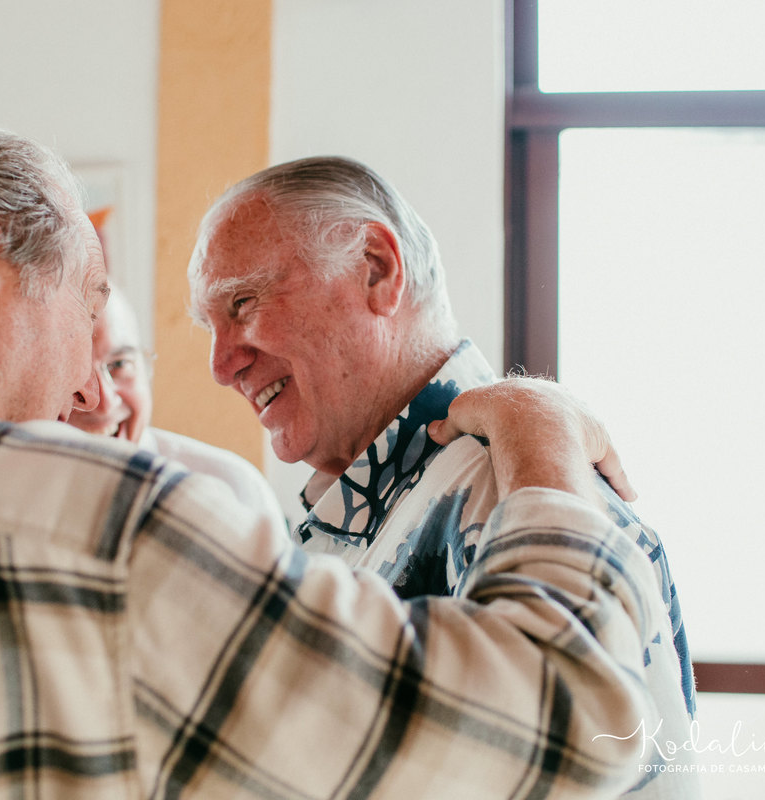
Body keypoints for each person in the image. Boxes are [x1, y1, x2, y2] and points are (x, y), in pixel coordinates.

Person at [0, 119, 666, 798]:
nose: (88, 386)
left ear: (379, 270)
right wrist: (547, 429)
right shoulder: (96, 529)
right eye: (86, 306)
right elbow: (574, 717)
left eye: (240, 305)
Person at [188, 156, 698, 798]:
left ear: (376, 268)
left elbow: (570, 754)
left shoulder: (505, 486)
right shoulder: (353, 515)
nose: (221, 364)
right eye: (210, 327)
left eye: (243, 303)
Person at [67, 272, 287, 531]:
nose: (103, 401)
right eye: (73, 372)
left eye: (119, 365)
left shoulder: (233, 490)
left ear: (146, 366)